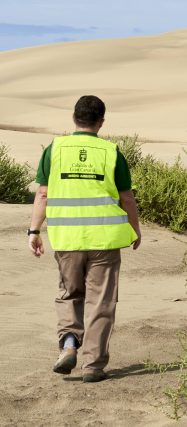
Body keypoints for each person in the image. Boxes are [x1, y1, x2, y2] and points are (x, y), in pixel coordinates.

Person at [28, 95, 142, 383]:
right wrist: (135, 229)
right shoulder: (111, 151)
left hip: (67, 239)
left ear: (74, 118)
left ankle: (68, 344)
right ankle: (92, 366)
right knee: (101, 302)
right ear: (101, 121)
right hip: (104, 241)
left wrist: (34, 231)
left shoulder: (55, 148)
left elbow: (42, 193)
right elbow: (126, 197)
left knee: (69, 294)